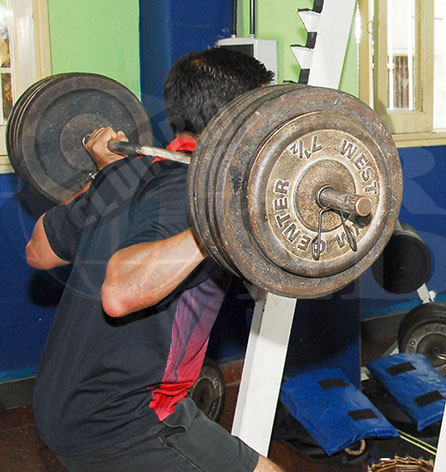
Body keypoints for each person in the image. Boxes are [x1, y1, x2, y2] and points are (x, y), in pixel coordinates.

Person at [24, 48, 283, 472]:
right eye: (262, 111)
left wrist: (103, 175)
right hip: (124, 418)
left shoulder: (128, 174)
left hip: (60, 403)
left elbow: (38, 250)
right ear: (236, 120)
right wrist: (223, 221)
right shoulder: (193, 193)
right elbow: (120, 293)